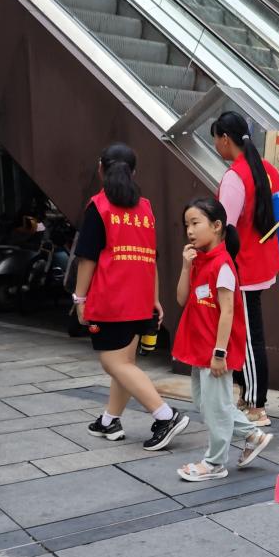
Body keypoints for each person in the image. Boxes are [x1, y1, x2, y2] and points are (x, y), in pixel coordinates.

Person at [74, 143, 189, 451]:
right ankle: (109, 420)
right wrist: (154, 298)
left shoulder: (99, 207)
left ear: (101, 168)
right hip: (139, 298)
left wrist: (79, 299)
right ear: (134, 172)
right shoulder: (145, 209)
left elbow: (87, 259)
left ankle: (165, 416)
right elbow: (150, 257)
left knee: (114, 363)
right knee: (125, 363)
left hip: (110, 299)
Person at [173, 196, 274, 481]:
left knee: (215, 407)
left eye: (195, 223)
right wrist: (185, 267)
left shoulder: (223, 265)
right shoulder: (199, 261)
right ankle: (252, 434)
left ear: (216, 226)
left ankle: (215, 462)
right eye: (187, 225)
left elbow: (228, 311)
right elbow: (181, 299)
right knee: (207, 404)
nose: (190, 231)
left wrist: (220, 353)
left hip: (214, 351)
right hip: (199, 347)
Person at [212, 112, 279, 428]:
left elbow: (223, 227)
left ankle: (256, 404)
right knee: (247, 330)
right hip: (263, 259)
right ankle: (247, 395)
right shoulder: (269, 170)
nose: (216, 145)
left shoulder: (235, 176)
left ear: (225, 139)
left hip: (242, 265)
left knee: (250, 336)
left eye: (216, 139)